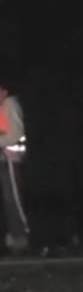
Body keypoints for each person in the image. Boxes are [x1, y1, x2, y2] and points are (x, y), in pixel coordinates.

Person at [0, 82, 29, 255]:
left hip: (12, 161)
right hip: (5, 161)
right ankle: (14, 238)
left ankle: (22, 237)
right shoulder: (3, 106)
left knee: (14, 200)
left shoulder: (10, 104)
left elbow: (15, 134)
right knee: (8, 201)